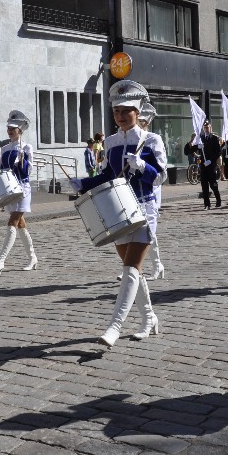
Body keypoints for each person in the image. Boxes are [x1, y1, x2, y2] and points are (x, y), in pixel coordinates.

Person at [70, 81, 167, 347]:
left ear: (138, 112)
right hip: (117, 210)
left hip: (144, 208)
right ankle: (149, 318)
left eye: (127, 111)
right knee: (132, 271)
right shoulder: (111, 143)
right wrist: (83, 183)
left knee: (130, 268)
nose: (121, 116)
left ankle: (114, 326)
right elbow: (108, 176)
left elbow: (159, 178)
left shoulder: (152, 140)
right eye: (117, 112)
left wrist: (144, 166)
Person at [0, 110, 38, 274]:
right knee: (21, 224)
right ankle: (32, 258)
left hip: (22, 189)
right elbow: (2, 171)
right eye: (9, 128)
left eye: (13, 128)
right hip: (10, 190)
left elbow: (27, 172)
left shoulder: (26, 147)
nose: (10, 131)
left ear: (20, 130)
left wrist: (22, 161)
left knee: (12, 222)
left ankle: (0, 261)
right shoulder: (4, 149)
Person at [138, 102, 165, 279]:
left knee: (148, 231)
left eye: (140, 120)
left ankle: (138, 265)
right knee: (140, 232)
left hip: (150, 191)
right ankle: (156, 265)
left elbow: (160, 172)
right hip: (133, 194)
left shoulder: (152, 139)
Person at [199, 121, 223, 209]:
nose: (206, 129)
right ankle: (207, 204)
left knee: (213, 184)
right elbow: (189, 150)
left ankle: (218, 199)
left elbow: (218, 152)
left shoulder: (215, 138)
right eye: (205, 128)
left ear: (210, 128)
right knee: (204, 185)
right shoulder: (201, 139)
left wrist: (211, 160)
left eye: (207, 127)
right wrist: (198, 147)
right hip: (203, 165)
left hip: (211, 165)